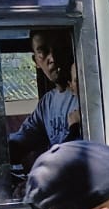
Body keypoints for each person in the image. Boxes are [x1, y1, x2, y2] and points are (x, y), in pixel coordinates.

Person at [10, 29, 81, 171]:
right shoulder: (47, 103)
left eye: (58, 49)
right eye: (43, 52)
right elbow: (25, 137)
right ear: (36, 61)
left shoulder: (83, 97)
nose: (52, 58)